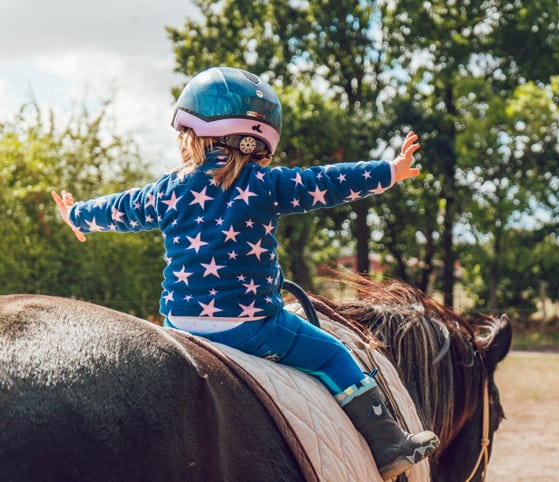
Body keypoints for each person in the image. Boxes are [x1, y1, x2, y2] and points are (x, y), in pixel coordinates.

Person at [53, 66, 438, 479]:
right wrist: (390, 172)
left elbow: (123, 209)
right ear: (260, 141)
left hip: (179, 326)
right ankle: (388, 444)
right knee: (333, 354)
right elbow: (327, 181)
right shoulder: (266, 184)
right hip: (251, 327)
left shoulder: (168, 189)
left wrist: (78, 216)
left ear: (191, 133)